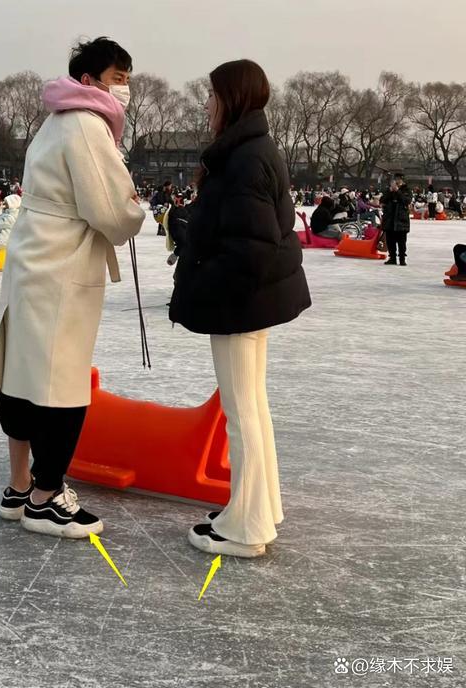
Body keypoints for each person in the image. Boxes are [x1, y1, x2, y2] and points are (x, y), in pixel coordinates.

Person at [0, 37, 145, 539]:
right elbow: (110, 211)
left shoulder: (55, 121)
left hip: (33, 259)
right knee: (62, 383)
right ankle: (45, 496)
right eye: (116, 78)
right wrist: (134, 211)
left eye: (127, 79)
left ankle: (19, 485)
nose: (123, 89)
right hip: (62, 263)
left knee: (21, 373)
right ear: (89, 81)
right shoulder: (86, 125)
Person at [169, 59, 311, 558]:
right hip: (250, 300)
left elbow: (250, 249)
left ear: (232, 98)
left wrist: (203, 277)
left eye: (211, 94)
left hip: (240, 303)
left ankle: (247, 526)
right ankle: (258, 504)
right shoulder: (250, 150)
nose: (206, 104)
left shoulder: (246, 157)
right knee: (251, 405)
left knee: (242, 411)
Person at [381, 173, 412, 265]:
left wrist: (398, 191)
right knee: (390, 241)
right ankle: (392, 258)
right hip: (390, 218)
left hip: (401, 219)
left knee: (402, 241)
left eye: (399, 179)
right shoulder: (388, 190)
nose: (397, 181)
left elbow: (407, 201)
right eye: (396, 179)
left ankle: (402, 259)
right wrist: (390, 192)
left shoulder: (407, 190)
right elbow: (382, 200)